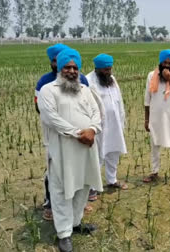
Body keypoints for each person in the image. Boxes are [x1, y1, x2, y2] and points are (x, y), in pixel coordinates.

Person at [37, 48, 103, 252]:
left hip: (87, 147)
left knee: (83, 185)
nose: (72, 71)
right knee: (62, 190)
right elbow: (50, 118)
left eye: (75, 67)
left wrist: (92, 130)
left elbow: (96, 113)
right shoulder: (49, 90)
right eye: (67, 67)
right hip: (63, 149)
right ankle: (64, 234)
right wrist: (78, 133)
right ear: (59, 68)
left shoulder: (84, 89)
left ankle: (75, 223)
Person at [35, 43, 91, 221]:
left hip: (81, 137)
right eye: (55, 60)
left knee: (79, 169)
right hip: (56, 135)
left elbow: (90, 106)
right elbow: (40, 109)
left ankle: (77, 207)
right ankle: (51, 203)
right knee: (54, 171)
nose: (57, 63)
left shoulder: (83, 81)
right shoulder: (45, 83)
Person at [86, 53, 128, 196]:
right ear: (97, 68)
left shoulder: (112, 80)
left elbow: (119, 101)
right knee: (97, 156)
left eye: (109, 69)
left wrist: (122, 120)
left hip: (115, 123)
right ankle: (92, 187)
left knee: (113, 152)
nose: (108, 72)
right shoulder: (88, 81)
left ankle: (112, 180)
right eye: (105, 69)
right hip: (99, 126)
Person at [143, 49, 170, 184]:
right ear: (160, 63)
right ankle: (154, 172)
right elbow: (147, 99)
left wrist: (169, 79)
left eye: (169, 63)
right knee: (154, 145)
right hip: (155, 117)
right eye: (164, 63)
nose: (167, 65)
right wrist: (146, 119)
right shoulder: (151, 75)